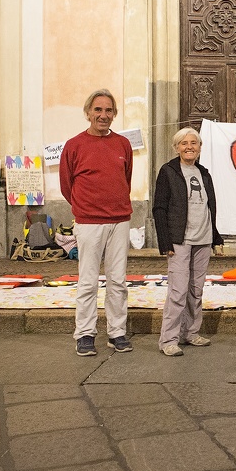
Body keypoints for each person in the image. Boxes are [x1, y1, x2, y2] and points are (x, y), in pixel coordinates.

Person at [59, 89, 134, 356]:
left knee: (118, 281)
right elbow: (67, 186)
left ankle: (117, 332)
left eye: (109, 110)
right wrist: (85, 208)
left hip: (119, 220)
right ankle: (85, 334)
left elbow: (125, 178)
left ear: (114, 114)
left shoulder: (123, 144)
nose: (103, 115)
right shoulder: (74, 145)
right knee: (88, 281)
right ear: (88, 112)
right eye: (98, 110)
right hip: (89, 221)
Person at [153, 127, 224, 357]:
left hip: (202, 239)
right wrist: (165, 241)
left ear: (200, 147)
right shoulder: (168, 171)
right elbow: (159, 208)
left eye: (194, 143)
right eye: (184, 143)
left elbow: (209, 207)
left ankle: (190, 332)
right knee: (178, 289)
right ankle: (169, 339)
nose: (189, 147)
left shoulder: (203, 173)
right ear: (176, 147)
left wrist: (215, 237)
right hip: (179, 240)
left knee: (196, 289)